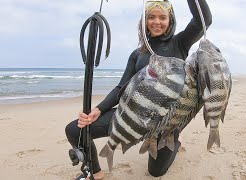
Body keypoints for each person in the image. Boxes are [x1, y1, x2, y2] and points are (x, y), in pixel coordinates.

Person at [65, 0, 212, 179]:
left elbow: (204, 19)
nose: (156, 22)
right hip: (133, 117)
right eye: (151, 17)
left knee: (156, 172)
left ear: (170, 20)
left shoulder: (180, 43)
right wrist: (98, 109)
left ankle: (175, 142)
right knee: (75, 130)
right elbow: (121, 88)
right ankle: (95, 172)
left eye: (162, 17)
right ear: (144, 21)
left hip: (165, 124)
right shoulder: (137, 54)